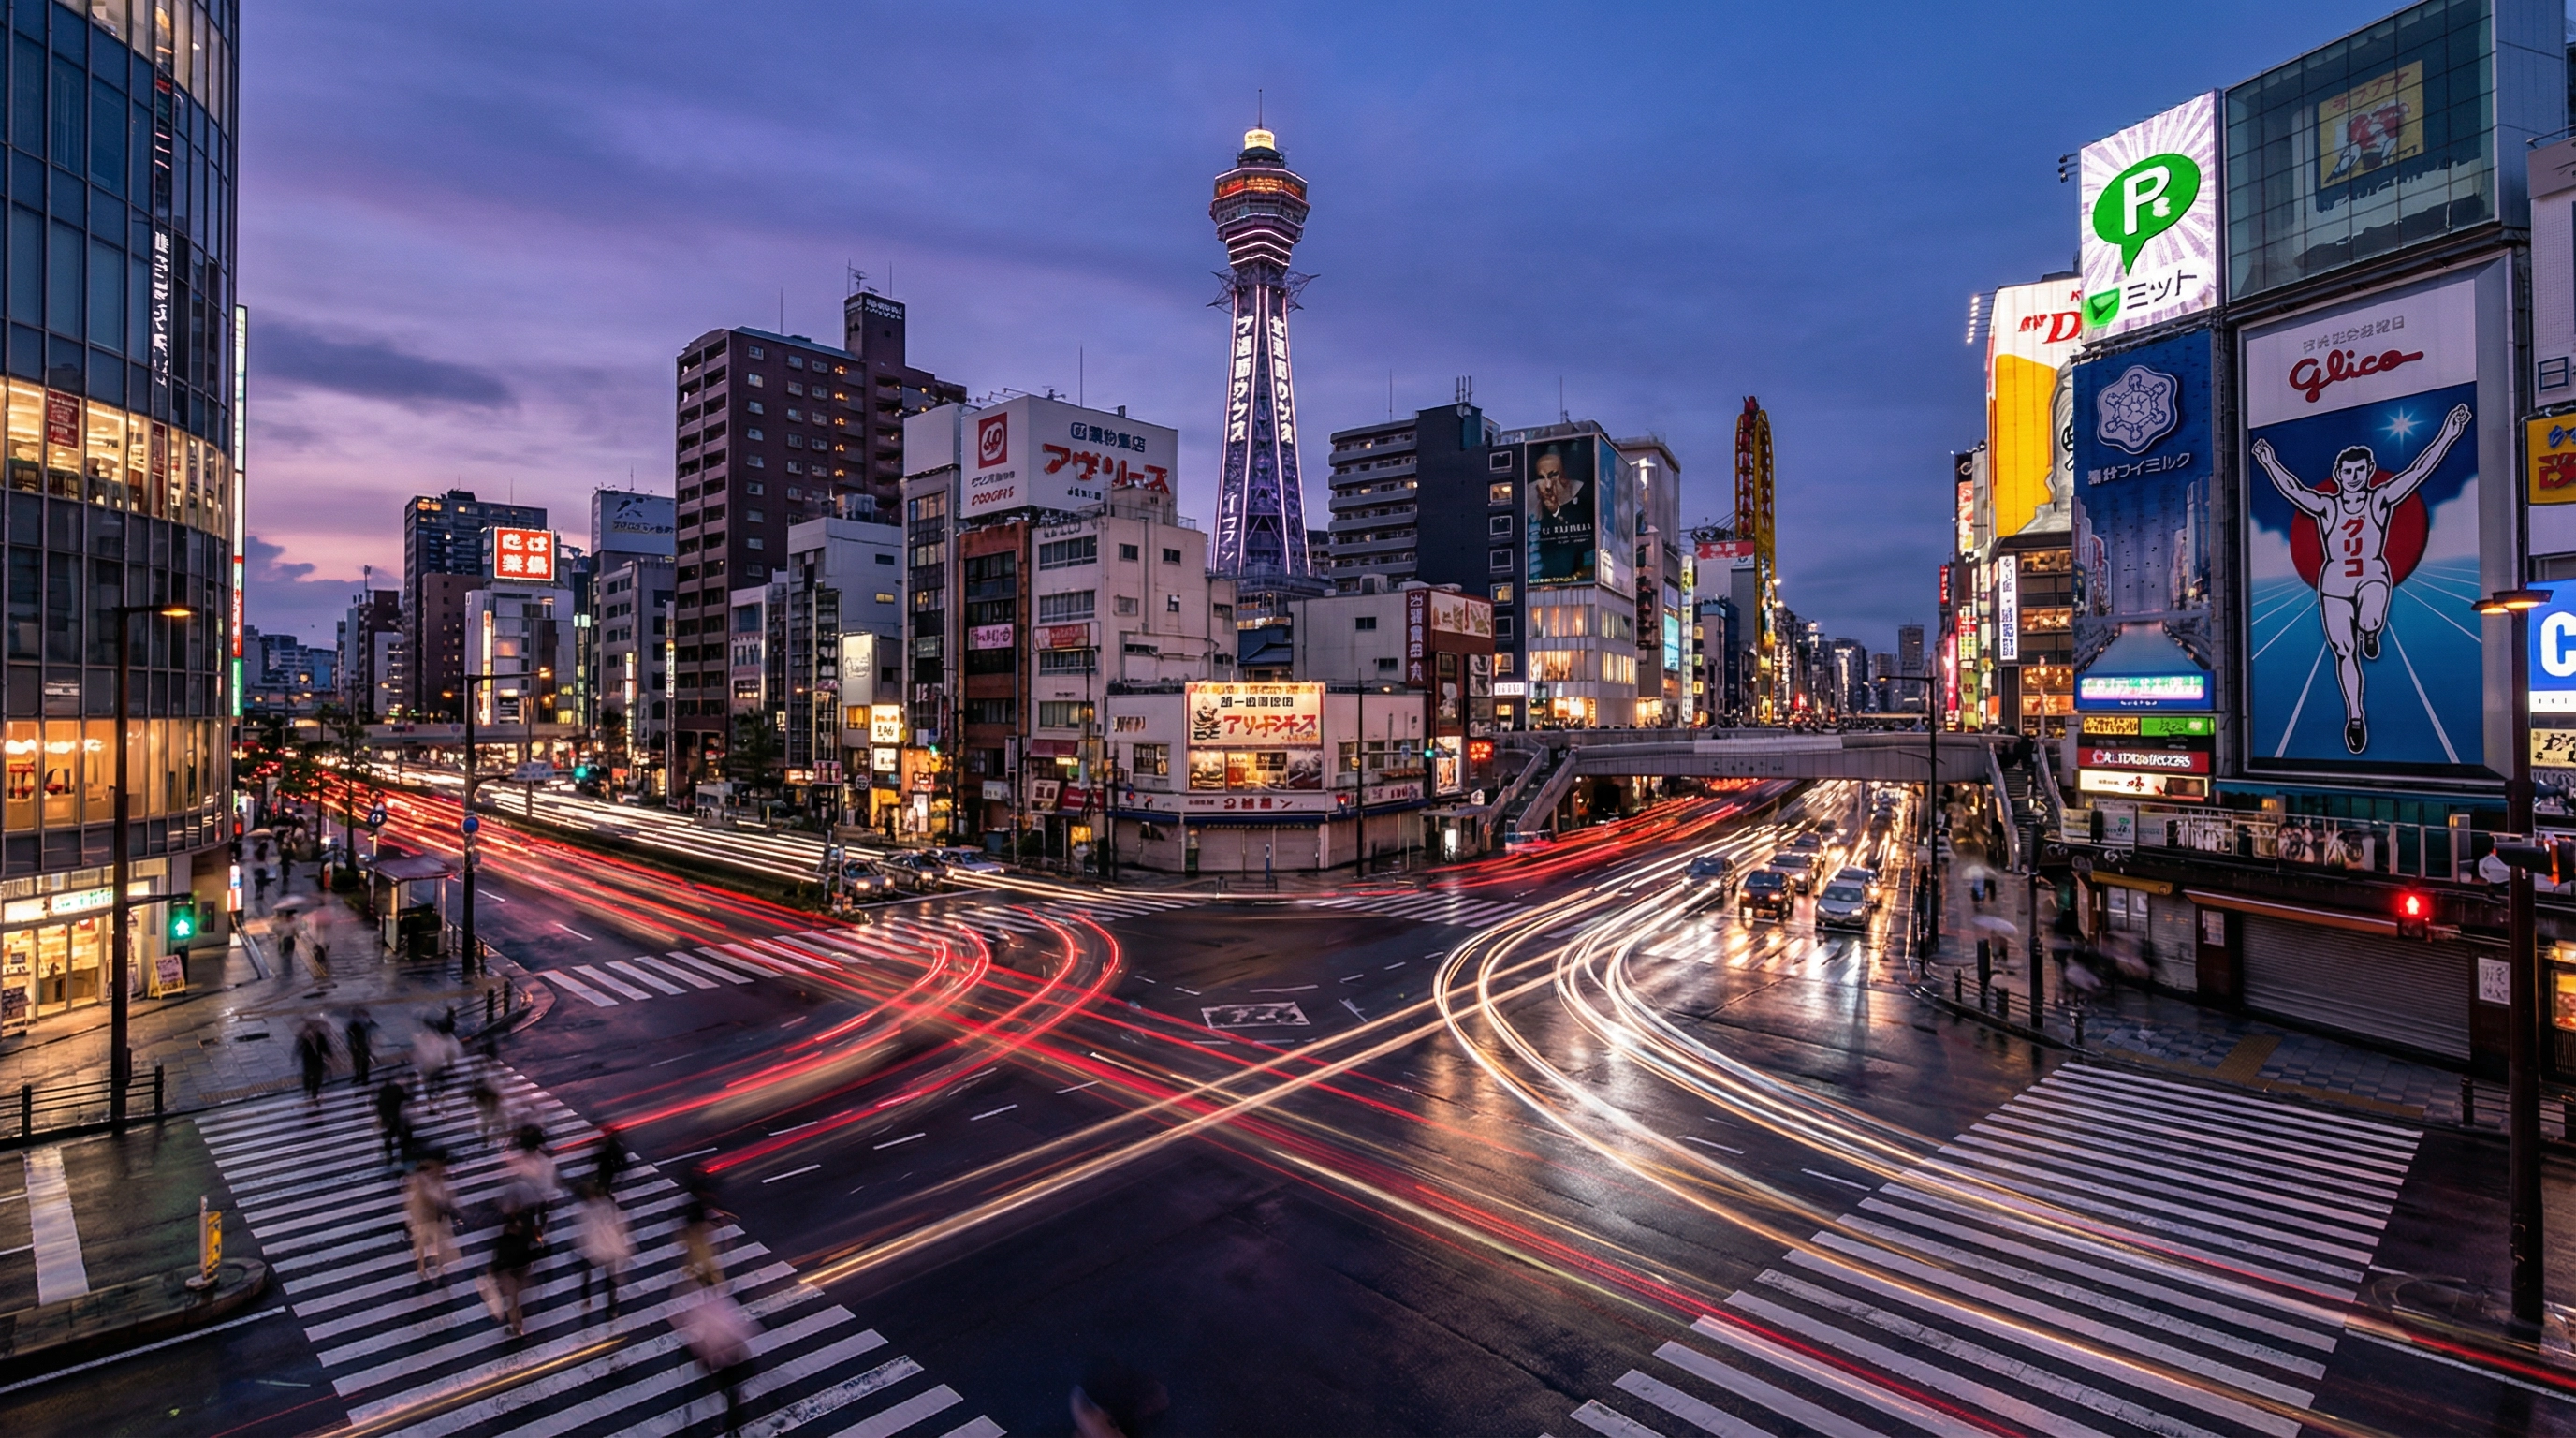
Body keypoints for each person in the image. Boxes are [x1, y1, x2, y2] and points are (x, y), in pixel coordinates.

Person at [2251, 403, 2473, 755]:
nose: (2353, 476)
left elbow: (2417, 472)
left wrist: (2449, 433)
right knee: (2343, 650)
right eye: (2347, 471)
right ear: (2338, 475)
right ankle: (2355, 716)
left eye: (2359, 470)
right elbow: (2293, 490)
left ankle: (2371, 631)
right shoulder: (2327, 506)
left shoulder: (2381, 499)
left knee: (2370, 616)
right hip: (2335, 582)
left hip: (2371, 572)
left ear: (2368, 471)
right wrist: (2268, 463)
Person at [676, 1283, 756, 1434]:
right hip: (730, 1360)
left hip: (728, 1362)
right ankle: (733, 1424)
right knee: (733, 1395)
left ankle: (731, 1422)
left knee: (731, 1393)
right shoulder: (724, 1308)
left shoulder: (708, 1313)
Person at [573, 1179, 632, 1318]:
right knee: (607, 1277)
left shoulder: (598, 1207)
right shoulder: (605, 1205)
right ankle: (610, 1306)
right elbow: (620, 1226)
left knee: (601, 1277)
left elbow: (583, 1231)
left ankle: (599, 1301)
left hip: (599, 1248)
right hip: (601, 1248)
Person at [406, 1152, 461, 1283]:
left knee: (436, 1243)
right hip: (425, 1220)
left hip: (434, 1219)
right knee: (422, 1243)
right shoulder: (422, 1188)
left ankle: (437, 1265)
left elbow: (443, 1200)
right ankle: (422, 1266)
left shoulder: (437, 1183)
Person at [374, 1076, 412, 1165]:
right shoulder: (397, 1089)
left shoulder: (383, 1092)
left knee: (389, 1137)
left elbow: (379, 1105)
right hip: (396, 1116)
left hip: (388, 1118)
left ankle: (389, 1155)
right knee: (401, 1134)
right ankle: (404, 1154)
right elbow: (405, 1097)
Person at [294, 1019, 331, 1107]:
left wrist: (329, 1054)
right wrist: (295, 1057)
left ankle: (315, 1092)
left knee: (318, 1077)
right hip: (308, 1060)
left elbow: (324, 1046)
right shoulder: (304, 1037)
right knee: (308, 1074)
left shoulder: (320, 1036)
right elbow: (298, 1047)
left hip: (318, 1061)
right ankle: (308, 1088)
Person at [345, 1008, 375, 1087]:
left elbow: (349, 1032)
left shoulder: (355, 1022)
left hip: (360, 1045)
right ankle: (362, 1077)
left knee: (361, 1061)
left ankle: (361, 1076)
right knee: (360, 1061)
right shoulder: (358, 1022)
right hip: (360, 1044)